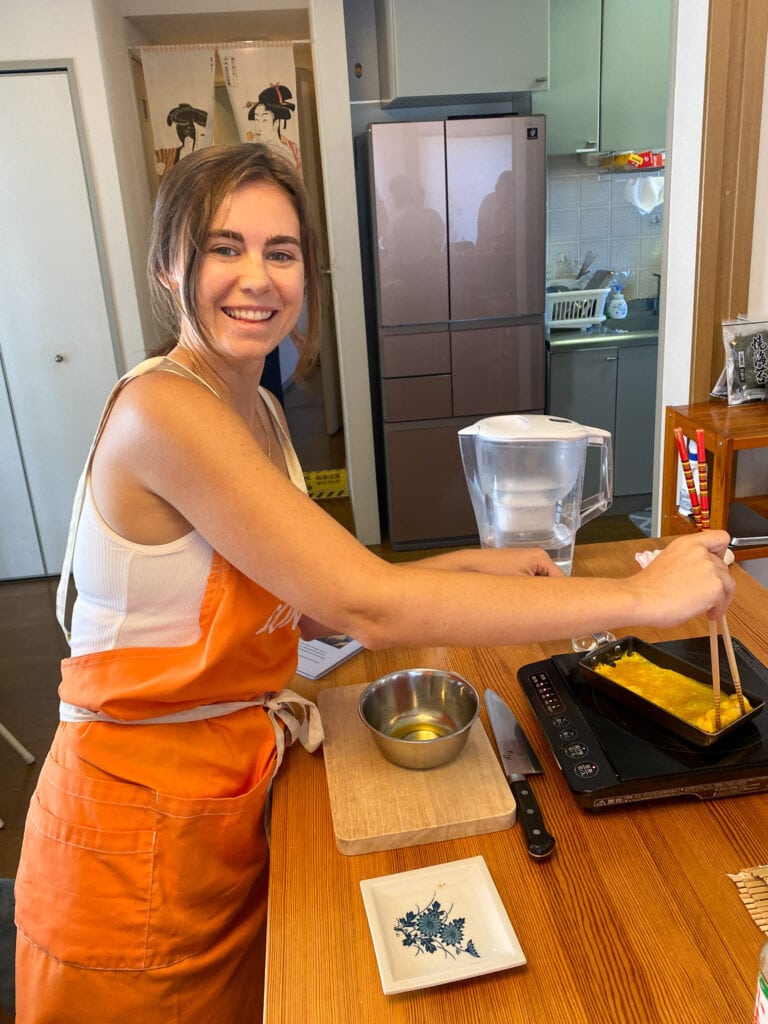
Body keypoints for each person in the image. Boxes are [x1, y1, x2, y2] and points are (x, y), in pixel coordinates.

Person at [14, 143, 734, 1023]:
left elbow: (312, 601)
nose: (257, 278)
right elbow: (366, 608)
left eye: (281, 253)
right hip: (132, 843)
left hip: (220, 801)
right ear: (170, 265)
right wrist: (639, 596)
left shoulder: (258, 408)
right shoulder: (166, 411)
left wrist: (469, 564)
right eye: (223, 247)